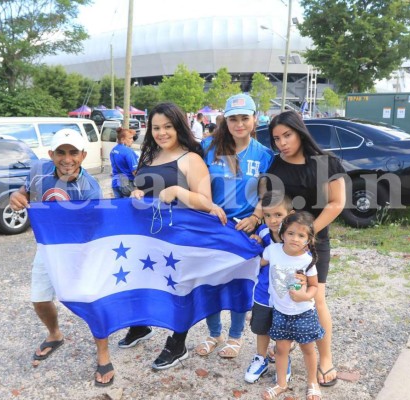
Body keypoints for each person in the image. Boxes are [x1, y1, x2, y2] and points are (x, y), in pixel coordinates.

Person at [9, 129, 115, 386]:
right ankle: (55, 335)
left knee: (91, 300)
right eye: (61, 152)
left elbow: (95, 227)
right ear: (50, 154)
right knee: (40, 299)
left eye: (73, 152)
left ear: (83, 155)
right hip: (48, 247)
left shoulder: (89, 188)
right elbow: (24, 192)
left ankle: (103, 354)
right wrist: (18, 196)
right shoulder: (37, 170)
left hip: (80, 249)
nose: (67, 159)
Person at [122, 102, 219, 370]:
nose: (162, 132)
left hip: (179, 238)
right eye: (156, 127)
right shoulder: (149, 156)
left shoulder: (191, 159)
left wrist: (177, 190)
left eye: (168, 127)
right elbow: (144, 190)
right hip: (147, 236)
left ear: (178, 127)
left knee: (178, 289)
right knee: (142, 281)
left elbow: (206, 202)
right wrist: (136, 193)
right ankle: (140, 326)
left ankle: (178, 343)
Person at [267, 110, 346, 387]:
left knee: (316, 298)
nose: (282, 142)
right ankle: (283, 350)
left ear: (299, 131)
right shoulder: (276, 166)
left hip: (315, 243)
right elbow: (271, 202)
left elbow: (336, 203)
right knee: (285, 293)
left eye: (287, 135)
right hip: (284, 244)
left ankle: (325, 358)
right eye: (276, 138)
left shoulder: (327, 163)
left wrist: (309, 235)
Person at [196, 93, 274, 359]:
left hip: (244, 229)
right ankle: (214, 333)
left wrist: (256, 217)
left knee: (239, 284)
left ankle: (235, 336)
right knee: (211, 283)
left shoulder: (264, 154)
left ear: (255, 119)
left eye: (244, 118)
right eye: (233, 119)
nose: (239, 124)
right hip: (213, 226)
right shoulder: (208, 147)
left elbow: (268, 192)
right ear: (225, 121)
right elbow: (198, 184)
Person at [262, 211, 323, 400]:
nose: (295, 239)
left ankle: (312, 382)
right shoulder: (272, 251)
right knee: (281, 349)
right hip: (280, 312)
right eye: (290, 233)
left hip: (303, 312)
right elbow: (258, 262)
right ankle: (281, 383)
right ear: (282, 234)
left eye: (301, 235)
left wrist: (304, 296)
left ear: (308, 239)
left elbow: (314, 287)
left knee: (307, 349)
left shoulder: (307, 260)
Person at [244, 190, 294, 384]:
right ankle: (260, 358)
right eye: (268, 215)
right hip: (264, 291)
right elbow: (259, 257)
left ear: (289, 214)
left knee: (283, 329)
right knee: (262, 327)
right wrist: (256, 241)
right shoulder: (263, 232)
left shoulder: (295, 235)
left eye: (278, 215)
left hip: (286, 293)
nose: (273, 220)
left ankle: (283, 358)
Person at [110, 127, 139, 198]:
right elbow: (135, 171)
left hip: (115, 183)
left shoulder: (113, 150)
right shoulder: (128, 151)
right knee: (128, 207)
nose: (132, 140)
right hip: (126, 185)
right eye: (130, 138)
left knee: (119, 206)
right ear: (122, 139)